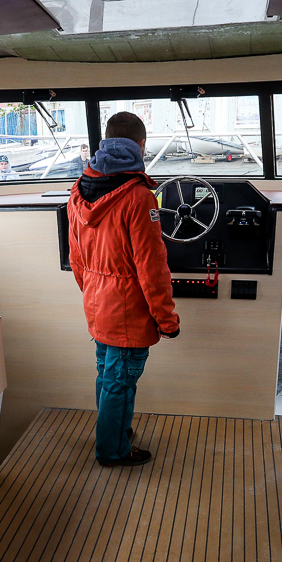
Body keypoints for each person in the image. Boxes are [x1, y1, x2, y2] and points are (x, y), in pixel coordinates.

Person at [67, 111, 180, 467]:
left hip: (97, 303)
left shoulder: (78, 189)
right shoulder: (140, 197)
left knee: (107, 374)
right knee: (120, 380)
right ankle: (112, 449)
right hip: (128, 311)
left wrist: (93, 292)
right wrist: (167, 320)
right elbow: (152, 268)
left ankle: (115, 431)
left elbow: (76, 257)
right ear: (140, 146)